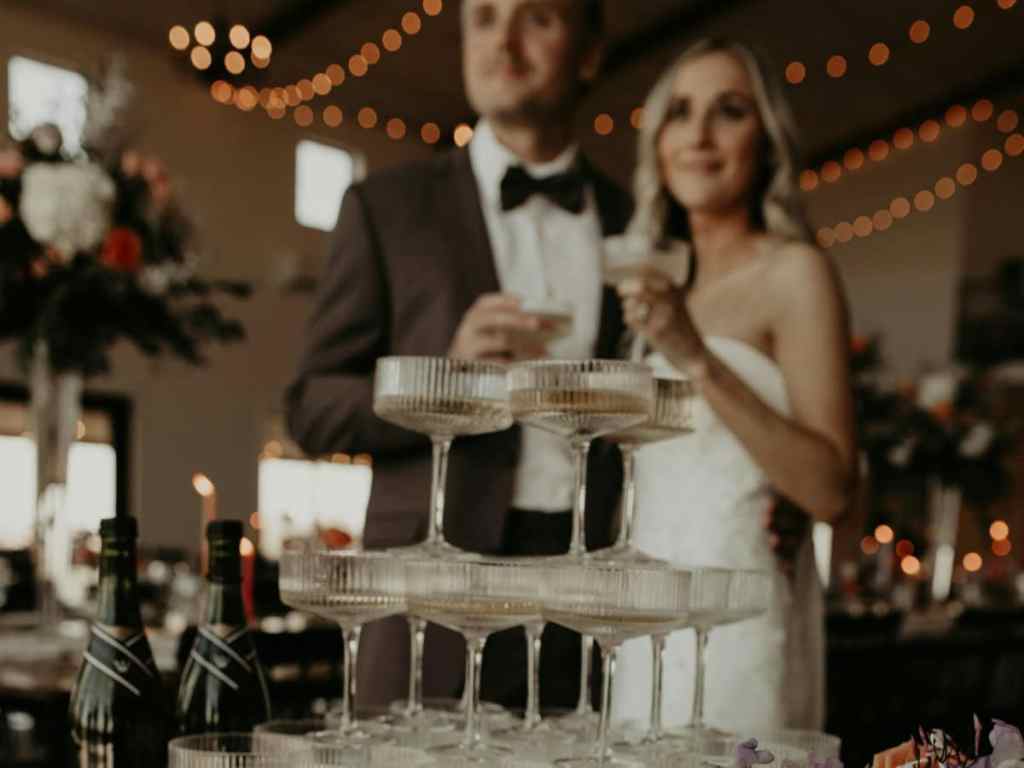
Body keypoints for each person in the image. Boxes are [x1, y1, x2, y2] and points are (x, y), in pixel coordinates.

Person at [286, 0, 630, 712]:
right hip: (429, 602)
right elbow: (312, 406)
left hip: (598, 604)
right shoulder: (385, 206)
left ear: (591, 52)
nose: (502, 42)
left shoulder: (639, 220)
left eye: (536, 17)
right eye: (482, 17)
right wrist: (440, 378)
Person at [609, 39, 857, 731]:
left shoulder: (795, 273)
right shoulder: (652, 281)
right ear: (658, 140)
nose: (699, 134)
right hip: (641, 620)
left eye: (729, 111)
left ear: (767, 141)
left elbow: (833, 489)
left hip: (739, 621)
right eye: (680, 112)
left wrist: (696, 357)